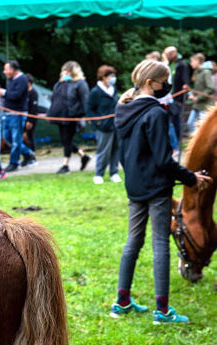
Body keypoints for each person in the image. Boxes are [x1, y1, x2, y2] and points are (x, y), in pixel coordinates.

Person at [111, 59, 212, 324]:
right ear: (150, 83)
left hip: (134, 187)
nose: (167, 86)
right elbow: (163, 160)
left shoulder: (122, 109)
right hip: (156, 189)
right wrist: (191, 177)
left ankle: (121, 302)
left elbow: (125, 156)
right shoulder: (155, 113)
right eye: (163, 81)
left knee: (133, 242)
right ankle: (163, 310)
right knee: (159, 245)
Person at [48, 61, 90, 174]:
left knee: (67, 140)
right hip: (59, 116)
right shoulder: (60, 83)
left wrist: (82, 116)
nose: (65, 73)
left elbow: (85, 101)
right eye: (64, 70)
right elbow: (54, 99)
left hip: (72, 116)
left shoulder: (80, 84)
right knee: (65, 140)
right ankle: (83, 156)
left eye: (68, 71)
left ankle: (65, 165)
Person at [0, 60, 36, 172]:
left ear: (12, 70)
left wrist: (3, 93)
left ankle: (14, 162)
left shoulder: (22, 79)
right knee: (7, 137)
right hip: (8, 113)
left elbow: (17, 95)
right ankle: (28, 153)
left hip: (17, 114)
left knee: (16, 139)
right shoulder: (12, 80)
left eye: (6, 69)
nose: (4, 72)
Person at [87, 65, 121, 184]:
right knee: (104, 150)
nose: (113, 78)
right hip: (103, 127)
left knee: (116, 149)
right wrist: (98, 121)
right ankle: (99, 174)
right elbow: (90, 109)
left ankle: (114, 173)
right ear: (104, 77)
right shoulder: (95, 91)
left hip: (115, 124)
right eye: (111, 76)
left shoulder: (113, 89)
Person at [163, 46, 191, 139]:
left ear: (173, 54)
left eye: (167, 55)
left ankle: (177, 142)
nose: (166, 56)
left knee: (175, 120)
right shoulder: (171, 64)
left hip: (178, 98)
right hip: (170, 97)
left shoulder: (182, 64)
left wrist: (185, 88)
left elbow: (185, 81)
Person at [187, 53, 215, 134]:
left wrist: (198, 98)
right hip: (197, 105)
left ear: (198, 61)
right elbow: (200, 89)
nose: (191, 63)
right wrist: (191, 94)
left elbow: (211, 88)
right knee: (190, 123)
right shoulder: (198, 72)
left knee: (204, 128)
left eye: (192, 61)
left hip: (205, 105)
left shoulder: (206, 72)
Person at [23, 73, 39, 154]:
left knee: (30, 137)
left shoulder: (33, 93)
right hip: (24, 117)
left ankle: (32, 154)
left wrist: (30, 121)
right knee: (24, 137)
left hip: (31, 119)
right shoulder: (24, 92)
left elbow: (34, 108)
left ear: (29, 82)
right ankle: (27, 154)